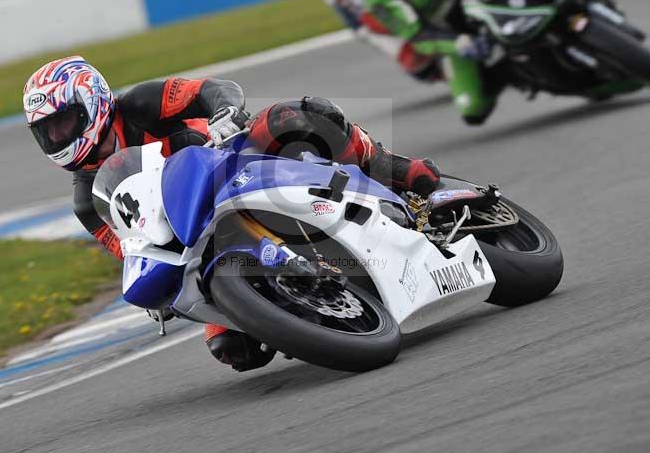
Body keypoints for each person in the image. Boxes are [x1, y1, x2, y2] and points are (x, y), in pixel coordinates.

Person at [23, 55, 440, 371]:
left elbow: (213, 89)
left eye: (64, 123)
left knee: (291, 118)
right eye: (49, 132)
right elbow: (126, 246)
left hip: (231, 162)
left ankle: (393, 169)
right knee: (234, 349)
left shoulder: (141, 103)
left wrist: (223, 113)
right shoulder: (86, 201)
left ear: (92, 101)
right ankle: (312, 309)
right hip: (197, 233)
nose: (58, 137)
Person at [353, 0, 562, 124]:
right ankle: (517, 72)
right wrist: (460, 44)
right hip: (452, 31)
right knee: (472, 109)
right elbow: (418, 36)